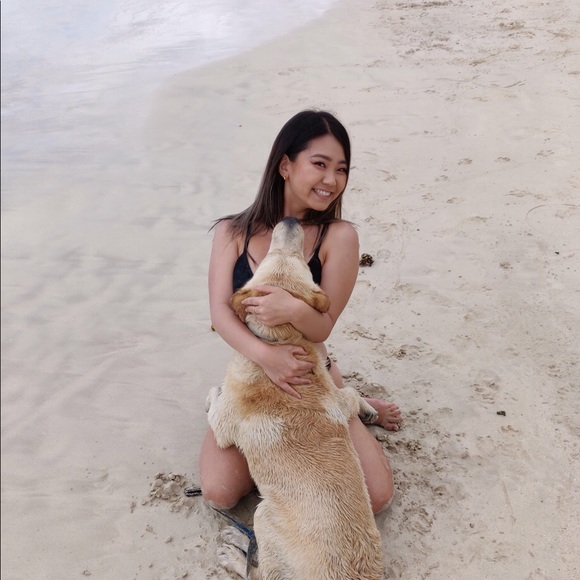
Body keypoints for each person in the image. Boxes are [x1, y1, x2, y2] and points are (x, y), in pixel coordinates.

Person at [199, 110, 402, 514]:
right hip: (252, 373)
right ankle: (221, 399)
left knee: (376, 498)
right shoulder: (232, 232)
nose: (332, 180)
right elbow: (220, 313)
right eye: (320, 164)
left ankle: (350, 403)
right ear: (285, 165)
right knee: (220, 492)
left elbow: (323, 326)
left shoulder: (338, 237)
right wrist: (266, 356)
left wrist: (291, 308)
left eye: (341, 169)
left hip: (311, 371)